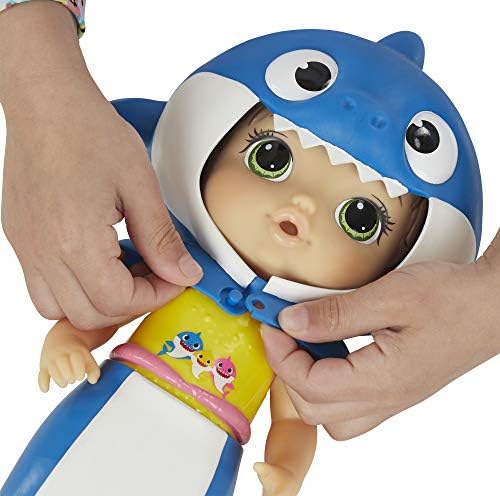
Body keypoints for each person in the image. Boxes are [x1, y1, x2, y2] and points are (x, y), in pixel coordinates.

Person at [0, 1, 498, 462]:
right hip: (110, 403)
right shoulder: (174, 264)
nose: (302, 206)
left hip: (212, 449)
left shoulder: (303, 337)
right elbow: (107, 301)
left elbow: (296, 417)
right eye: (272, 157)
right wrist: (68, 343)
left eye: (360, 219)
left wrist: (283, 469)